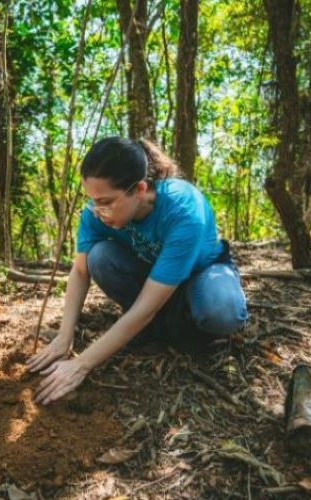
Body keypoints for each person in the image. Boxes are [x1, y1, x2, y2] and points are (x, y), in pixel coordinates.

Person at [28, 137, 248, 405]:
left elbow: (147, 308)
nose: (97, 211)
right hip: (152, 277)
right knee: (99, 256)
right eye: (92, 200)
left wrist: (81, 365)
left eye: (106, 201)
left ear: (139, 189)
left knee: (222, 312)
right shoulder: (95, 212)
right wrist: (65, 337)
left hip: (199, 275)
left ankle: (186, 329)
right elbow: (81, 272)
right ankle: (156, 328)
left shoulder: (183, 210)